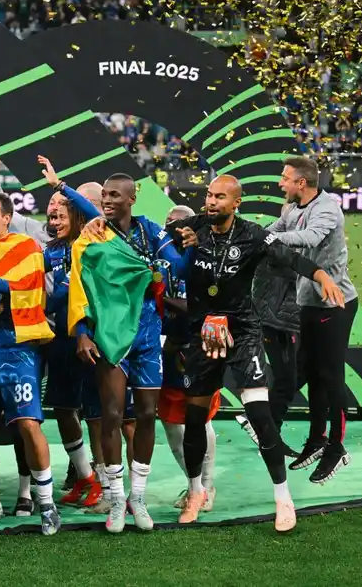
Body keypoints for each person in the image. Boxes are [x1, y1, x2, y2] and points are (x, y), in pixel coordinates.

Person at [161, 174, 344, 531]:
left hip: (242, 333)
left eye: (219, 197)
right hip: (203, 336)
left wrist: (321, 276)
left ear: (235, 203)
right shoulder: (190, 228)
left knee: (260, 416)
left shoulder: (252, 234)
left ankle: (283, 499)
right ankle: (196, 491)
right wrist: (175, 242)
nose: (211, 202)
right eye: (209, 195)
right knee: (194, 420)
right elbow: (146, 238)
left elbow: (291, 258)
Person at [75, 173, 186, 533]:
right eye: (103, 195)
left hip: (149, 335)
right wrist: (81, 331)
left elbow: (176, 265)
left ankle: (138, 497)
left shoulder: (151, 231)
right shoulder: (93, 235)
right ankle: (117, 498)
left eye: (113, 195)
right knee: (111, 414)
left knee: (148, 415)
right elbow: (81, 285)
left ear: (131, 198)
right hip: (110, 334)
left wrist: (178, 255)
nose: (106, 201)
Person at [0, 188, 61, 535]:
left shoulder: (26, 248)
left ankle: (47, 503)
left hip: (19, 348)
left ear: (7, 218)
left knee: (28, 425)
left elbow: (21, 287)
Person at [271, 156, 359, 483]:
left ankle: (337, 447)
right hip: (308, 302)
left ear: (301, 183)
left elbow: (309, 238)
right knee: (311, 372)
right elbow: (274, 231)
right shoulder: (291, 209)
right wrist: (252, 236)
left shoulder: (327, 208)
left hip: (336, 304)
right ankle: (317, 439)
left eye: (285, 178)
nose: (281, 183)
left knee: (330, 375)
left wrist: (271, 240)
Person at [36, 158, 105, 509]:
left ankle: (105, 482)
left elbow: (60, 295)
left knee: (94, 412)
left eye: (63, 215)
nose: (56, 221)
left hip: (90, 339)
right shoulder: (53, 251)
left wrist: (60, 186)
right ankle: (85, 477)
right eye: (53, 217)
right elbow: (31, 277)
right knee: (63, 409)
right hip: (61, 341)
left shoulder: (91, 245)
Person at [158, 205, 218, 512]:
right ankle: (195, 484)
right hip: (165, 349)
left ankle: (205, 487)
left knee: (200, 418)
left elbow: (203, 303)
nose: (175, 228)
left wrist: (166, 300)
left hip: (198, 346)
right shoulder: (159, 258)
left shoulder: (208, 257)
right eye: (170, 224)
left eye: (182, 224)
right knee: (170, 423)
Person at [248, 202, 302, 457]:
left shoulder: (277, 239)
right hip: (276, 321)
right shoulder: (274, 243)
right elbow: (299, 272)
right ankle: (268, 436)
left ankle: (264, 425)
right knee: (285, 380)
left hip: (286, 319)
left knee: (295, 375)